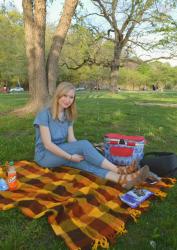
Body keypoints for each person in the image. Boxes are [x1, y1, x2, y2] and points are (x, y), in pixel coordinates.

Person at [33, 82, 149, 189]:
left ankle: (122, 179)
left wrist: (86, 152)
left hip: (61, 152)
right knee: (83, 146)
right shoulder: (44, 114)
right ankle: (118, 169)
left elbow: (71, 139)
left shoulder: (68, 115)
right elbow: (48, 145)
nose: (68, 100)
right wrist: (71, 156)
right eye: (65, 95)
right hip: (45, 156)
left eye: (71, 97)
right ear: (58, 95)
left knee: (86, 162)